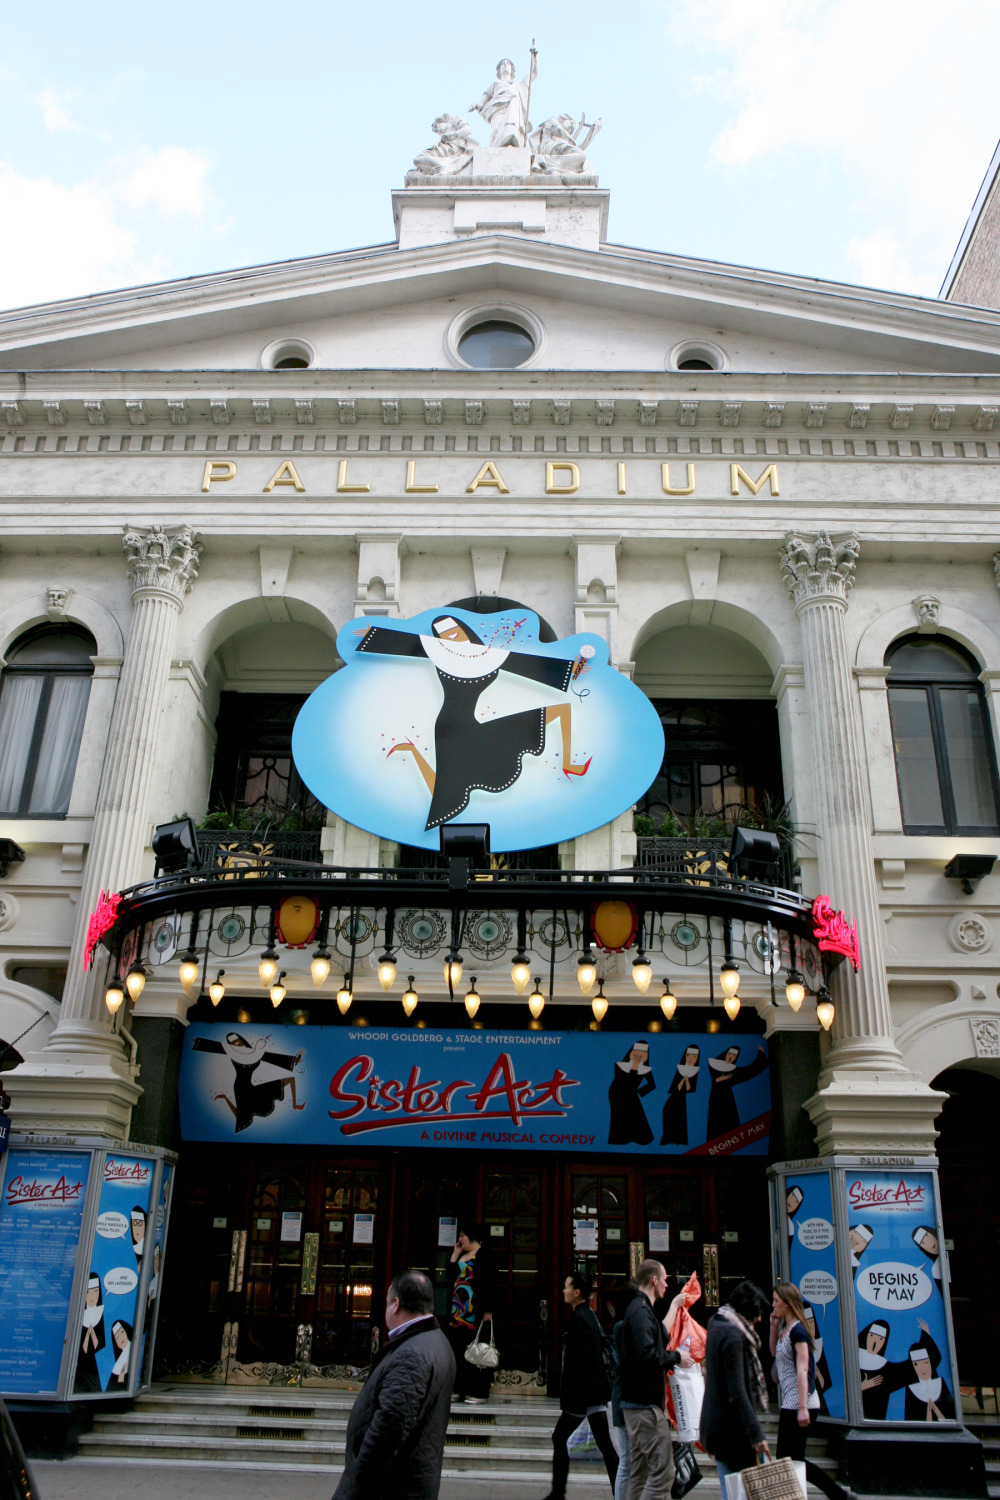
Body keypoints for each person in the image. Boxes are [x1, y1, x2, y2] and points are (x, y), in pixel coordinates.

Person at [358, 615, 593, 832]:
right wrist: (375, 635)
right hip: (449, 726)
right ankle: (414, 752)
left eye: (454, 631)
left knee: (560, 710)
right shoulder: (440, 653)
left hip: (471, 724)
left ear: (465, 630)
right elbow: (413, 645)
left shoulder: (487, 656)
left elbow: (525, 665)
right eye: (444, 635)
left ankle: (568, 765)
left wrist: (568, 670)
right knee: (443, 795)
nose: (451, 637)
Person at [333, 1268, 455, 1500]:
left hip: (391, 1487)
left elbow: (389, 1427)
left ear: (396, 1304)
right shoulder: (435, 1342)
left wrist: (354, 1488)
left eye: (388, 1302)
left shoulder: (412, 1354)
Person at [770, 1282, 852, 1500]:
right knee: (789, 1459)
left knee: (791, 1459)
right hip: (791, 1402)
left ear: (787, 1304)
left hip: (799, 1402)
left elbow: (804, 1368)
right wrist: (772, 1327)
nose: (773, 1305)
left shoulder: (799, 1332)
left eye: (777, 1301)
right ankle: (836, 1494)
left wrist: (803, 1408)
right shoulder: (785, 1330)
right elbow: (775, 1355)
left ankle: (837, 1494)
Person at [619, 1259, 693, 1500]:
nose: (667, 1284)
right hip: (645, 1407)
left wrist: (674, 1307)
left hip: (638, 1405)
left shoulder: (641, 1310)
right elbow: (647, 1355)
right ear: (654, 1280)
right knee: (663, 1473)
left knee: (639, 1474)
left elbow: (658, 1335)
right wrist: (676, 1356)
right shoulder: (640, 1312)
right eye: (664, 1279)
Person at [544, 1272, 619, 1500]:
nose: (564, 1290)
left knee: (560, 1438)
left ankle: (558, 1493)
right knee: (606, 1447)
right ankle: (619, 1492)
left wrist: (572, 1398)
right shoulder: (589, 1316)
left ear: (577, 1293)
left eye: (567, 1287)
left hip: (583, 1396)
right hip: (593, 1395)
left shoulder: (580, 1319)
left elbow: (582, 1361)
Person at [699, 1279, 770, 1490]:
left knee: (730, 1489)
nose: (758, 1320)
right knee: (738, 1491)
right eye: (757, 1312)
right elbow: (737, 1391)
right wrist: (756, 1433)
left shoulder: (717, 1323)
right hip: (733, 1433)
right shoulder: (732, 1336)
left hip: (718, 1428)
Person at [448, 1219, 496, 1403]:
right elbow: (451, 1276)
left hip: (474, 1311)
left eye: (463, 1236)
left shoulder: (484, 1255)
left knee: (477, 1352)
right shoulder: (461, 1255)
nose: (460, 1240)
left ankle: (479, 1392)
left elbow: (490, 1283)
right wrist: (455, 1253)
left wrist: (488, 1309)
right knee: (458, 1351)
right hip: (457, 1311)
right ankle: (459, 1389)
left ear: (472, 1236)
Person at [611, 1282, 640, 1500]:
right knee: (627, 1460)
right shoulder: (623, 1327)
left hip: (629, 1400)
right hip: (626, 1399)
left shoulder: (626, 1325)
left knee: (630, 1459)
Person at [705, 1045, 768, 1141]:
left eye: (734, 1055)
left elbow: (750, 1070)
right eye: (730, 1054)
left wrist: (761, 1055)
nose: (731, 1056)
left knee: (729, 1120)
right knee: (716, 1121)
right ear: (726, 1053)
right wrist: (725, 1077)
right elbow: (715, 1079)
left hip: (727, 1098)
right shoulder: (714, 1065)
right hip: (716, 1098)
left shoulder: (733, 1070)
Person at [903, 1318, 955, 1421]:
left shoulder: (940, 1383)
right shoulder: (911, 1389)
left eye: (926, 1362)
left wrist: (941, 1418)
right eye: (916, 1364)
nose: (922, 1368)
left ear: (931, 1363)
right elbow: (909, 1420)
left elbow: (952, 1416)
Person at [608, 1042, 656, 1146]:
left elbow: (652, 1085)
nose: (639, 1054)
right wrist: (634, 1066)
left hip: (631, 1093)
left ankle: (638, 1138)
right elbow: (623, 1082)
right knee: (620, 1115)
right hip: (617, 1093)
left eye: (643, 1052)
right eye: (636, 1051)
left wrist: (640, 1092)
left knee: (636, 1114)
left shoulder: (645, 1069)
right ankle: (620, 1139)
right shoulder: (620, 1066)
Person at [660, 1045, 700, 1146]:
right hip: (674, 1098)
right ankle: (668, 1138)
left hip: (682, 1100)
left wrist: (687, 1081)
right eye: (689, 1055)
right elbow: (675, 1088)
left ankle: (678, 1140)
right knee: (669, 1115)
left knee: (680, 1120)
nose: (691, 1059)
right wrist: (683, 1079)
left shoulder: (694, 1071)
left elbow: (689, 1089)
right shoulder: (680, 1069)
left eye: (694, 1057)